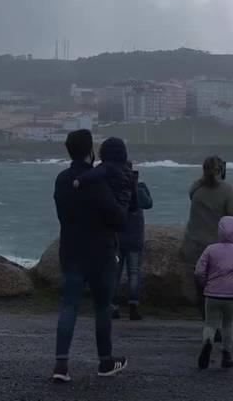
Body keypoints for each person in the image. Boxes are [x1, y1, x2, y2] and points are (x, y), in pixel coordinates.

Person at [52, 129, 130, 382]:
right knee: (102, 307)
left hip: (71, 249)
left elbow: (62, 214)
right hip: (100, 251)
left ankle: (61, 366)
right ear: (90, 151)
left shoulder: (62, 179)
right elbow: (117, 217)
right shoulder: (97, 181)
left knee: (70, 305)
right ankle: (105, 362)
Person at [183, 155, 233, 310]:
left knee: (201, 285)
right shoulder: (226, 190)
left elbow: (192, 196)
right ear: (221, 170)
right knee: (222, 283)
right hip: (217, 247)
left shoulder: (196, 188)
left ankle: (205, 317)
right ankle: (224, 315)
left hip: (193, 244)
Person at [195, 216, 233, 369]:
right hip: (232, 295)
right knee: (227, 325)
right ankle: (227, 356)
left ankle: (208, 343)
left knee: (210, 324)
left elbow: (199, 272)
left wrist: (205, 284)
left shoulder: (210, 249)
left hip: (212, 293)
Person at [113, 166, 153, 321]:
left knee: (115, 274)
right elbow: (148, 203)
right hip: (135, 237)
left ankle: (113, 307)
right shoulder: (138, 187)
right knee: (134, 273)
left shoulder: (115, 188)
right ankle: (133, 306)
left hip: (117, 238)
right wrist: (138, 185)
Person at [73, 137, 134, 212]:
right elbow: (134, 200)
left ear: (104, 152)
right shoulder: (128, 169)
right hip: (125, 205)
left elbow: (96, 172)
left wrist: (79, 180)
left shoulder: (107, 166)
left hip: (113, 207)